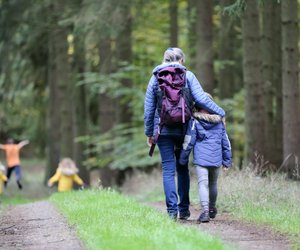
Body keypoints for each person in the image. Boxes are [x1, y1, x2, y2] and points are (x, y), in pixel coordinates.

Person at [144, 48, 225, 220]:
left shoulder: (155, 77)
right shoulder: (188, 76)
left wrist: (149, 133)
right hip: (184, 129)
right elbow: (202, 99)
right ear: (181, 60)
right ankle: (184, 210)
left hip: (163, 129)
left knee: (168, 169)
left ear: (164, 59)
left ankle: (172, 212)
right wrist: (221, 112)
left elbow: (149, 109)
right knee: (182, 168)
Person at [179, 93, 232, 223]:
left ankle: (205, 212)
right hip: (216, 158)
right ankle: (212, 208)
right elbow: (226, 143)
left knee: (203, 184)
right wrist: (227, 161)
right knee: (213, 184)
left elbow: (189, 140)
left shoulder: (195, 121)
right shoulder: (219, 122)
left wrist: (183, 158)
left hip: (201, 159)